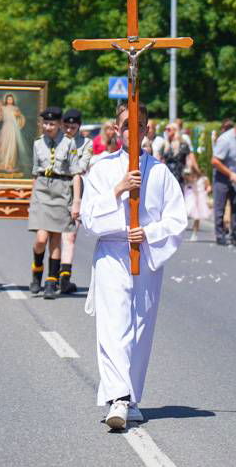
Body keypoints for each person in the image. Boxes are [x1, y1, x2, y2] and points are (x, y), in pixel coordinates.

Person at [81, 102, 187, 429]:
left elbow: (176, 219)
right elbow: (88, 217)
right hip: (113, 251)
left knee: (141, 325)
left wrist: (149, 232)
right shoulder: (100, 169)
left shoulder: (160, 172)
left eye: (138, 125)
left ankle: (132, 394)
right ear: (116, 130)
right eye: (126, 125)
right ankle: (117, 397)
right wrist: (117, 190)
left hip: (145, 253)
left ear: (147, 130)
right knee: (114, 325)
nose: (132, 131)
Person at [27, 107, 80, 299]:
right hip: (42, 190)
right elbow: (35, 172)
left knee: (56, 239)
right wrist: (32, 199)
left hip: (61, 190)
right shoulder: (37, 143)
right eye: (45, 123)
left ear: (59, 124)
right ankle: (37, 270)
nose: (48, 127)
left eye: (51, 124)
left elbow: (76, 174)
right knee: (41, 239)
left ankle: (51, 281)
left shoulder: (69, 143)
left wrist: (76, 201)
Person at [59, 108, 94, 295]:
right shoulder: (56, 141)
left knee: (70, 236)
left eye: (73, 126)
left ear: (79, 126)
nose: (69, 130)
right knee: (53, 235)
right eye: (67, 126)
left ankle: (65, 278)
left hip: (77, 192)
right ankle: (50, 276)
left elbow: (81, 168)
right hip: (56, 190)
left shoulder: (86, 143)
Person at [211, 119, 236, 245]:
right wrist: (230, 174)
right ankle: (220, 234)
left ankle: (235, 234)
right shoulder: (225, 139)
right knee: (220, 207)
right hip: (223, 177)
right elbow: (215, 161)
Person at [0, 96, 26, 172]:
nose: (10, 100)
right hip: (5, 128)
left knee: (12, 146)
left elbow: (20, 118)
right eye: (8, 99)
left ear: (13, 100)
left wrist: (18, 115)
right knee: (4, 145)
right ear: (6, 100)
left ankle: (10, 164)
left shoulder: (15, 108)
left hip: (13, 129)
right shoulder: (3, 108)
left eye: (11, 99)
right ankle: (3, 164)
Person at [160, 122, 192, 189]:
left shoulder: (183, 144)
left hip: (179, 176)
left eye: (168, 129)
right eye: (165, 129)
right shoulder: (165, 144)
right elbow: (161, 160)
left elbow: (189, 160)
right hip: (167, 176)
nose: (166, 131)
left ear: (175, 130)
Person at [184, 169, 212, 241]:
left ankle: (194, 234)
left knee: (197, 217)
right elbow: (187, 182)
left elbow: (209, 187)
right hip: (192, 197)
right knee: (187, 213)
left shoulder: (204, 179)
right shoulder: (192, 177)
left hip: (201, 198)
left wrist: (206, 192)